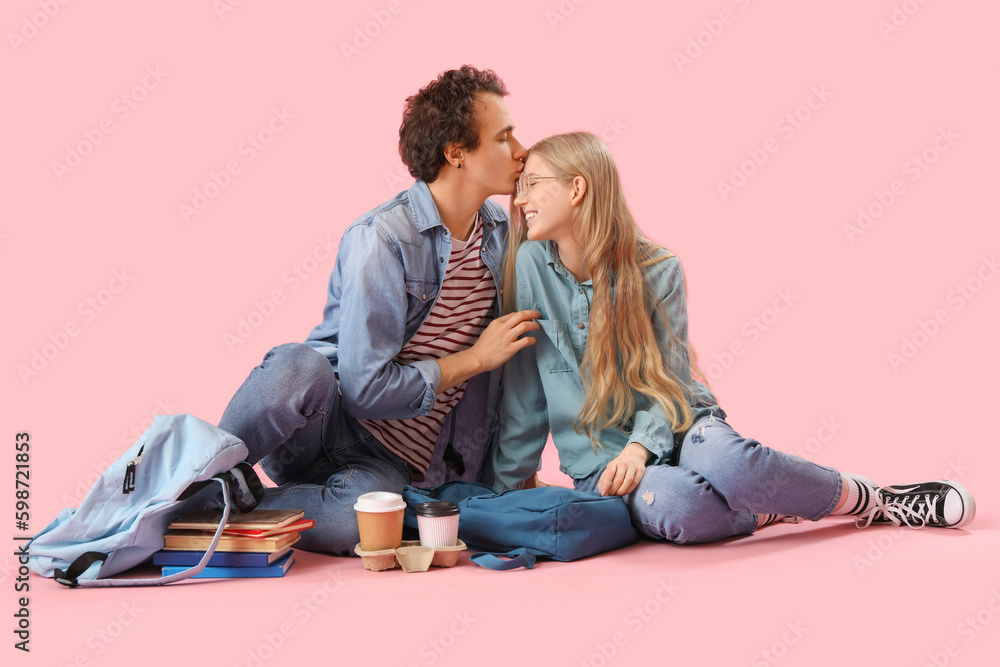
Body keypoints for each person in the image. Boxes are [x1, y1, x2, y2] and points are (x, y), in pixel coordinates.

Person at [493, 131, 975, 543]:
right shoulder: (529, 266)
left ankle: (874, 499)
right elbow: (525, 390)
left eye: (532, 185)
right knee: (681, 509)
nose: (520, 199)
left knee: (734, 467)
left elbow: (672, 381)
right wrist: (504, 491)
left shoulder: (659, 270)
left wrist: (641, 447)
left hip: (679, 423)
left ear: (577, 188)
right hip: (601, 465)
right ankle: (770, 507)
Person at [217, 66, 541, 555]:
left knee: (367, 522)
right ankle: (197, 478)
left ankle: (220, 506)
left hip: (389, 467)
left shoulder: (503, 234)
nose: (521, 151)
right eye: (503, 137)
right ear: (456, 153)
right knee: (296, 365)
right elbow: (364, 390)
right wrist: (476, 358)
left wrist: (515, 483)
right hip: (324, 422)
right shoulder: (384, 238)